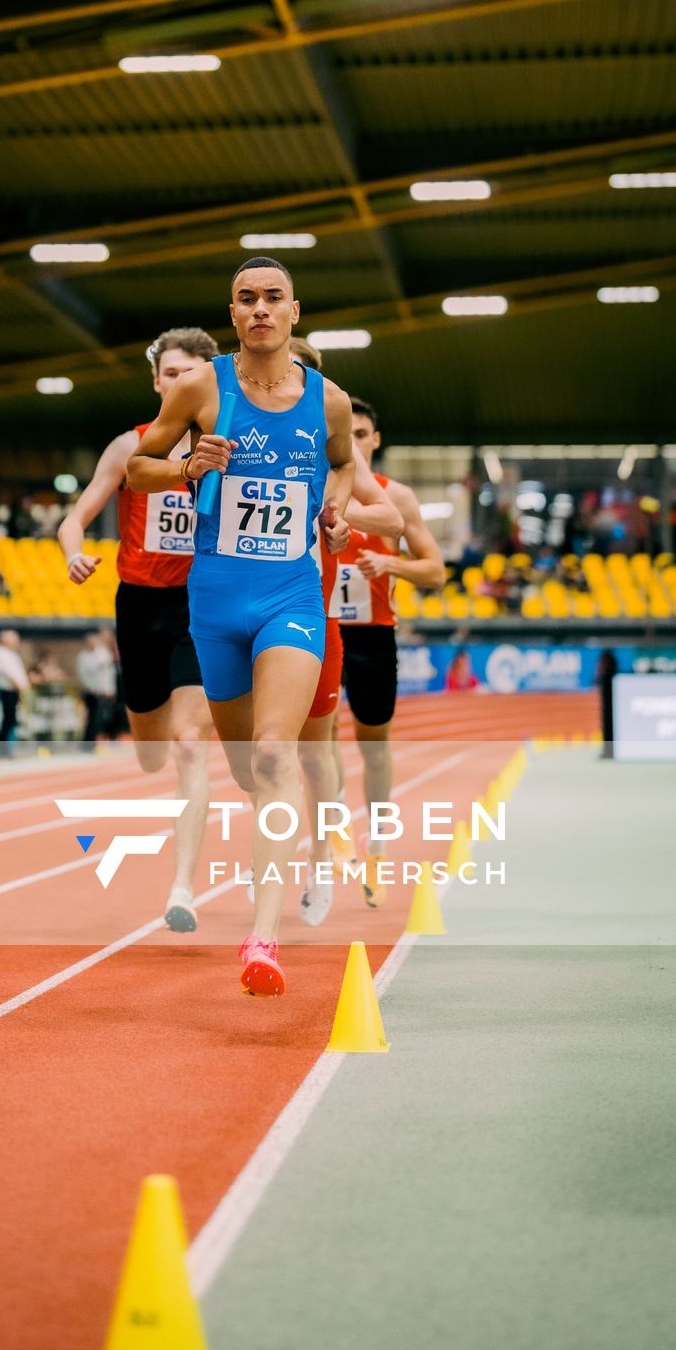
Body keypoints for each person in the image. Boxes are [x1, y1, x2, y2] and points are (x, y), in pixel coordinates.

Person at [128, 258, 354, 996]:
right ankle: (271, 866)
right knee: (247, 772)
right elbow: (138, 469)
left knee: (275, 754)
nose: (261, 310)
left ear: (296, 311)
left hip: (290, 596)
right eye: (247, 299)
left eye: (274, 299)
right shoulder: (202, 387)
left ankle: (264, 938)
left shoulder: (329, 403)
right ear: (234, 314)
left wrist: (337, 509)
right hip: (215, 602)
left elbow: (345, 467)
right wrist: (190, 467)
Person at [58, 325, 219, 933]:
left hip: (198, 606)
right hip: (138, 606)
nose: (179, 383)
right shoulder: (130, 445)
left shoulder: (224, 445)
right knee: (152, 753)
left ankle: (182, 887)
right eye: (170, 374)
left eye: (190, 374)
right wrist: (74, 553)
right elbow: (76, 518)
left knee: (187, 744)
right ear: (156, 381)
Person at [289, 336, 403, 927]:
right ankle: (320, 841)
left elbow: (393, 518)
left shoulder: (336, 454)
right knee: (262, 755)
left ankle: (361, 847)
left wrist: (335, 513)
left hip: (335, 620)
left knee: (354, 749)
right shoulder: (234, 425)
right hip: (256, 605)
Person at [335, 397, 445, 896]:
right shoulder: (317, 484)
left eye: (362, 434)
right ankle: (333, 834)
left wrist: (391, 566)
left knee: (373, 747)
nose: (354, 442)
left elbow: (436, 572)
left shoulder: (395, 497)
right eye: (346, 434)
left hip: (373, 633)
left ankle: (376, 843)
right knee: (313, 740)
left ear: (374, 440)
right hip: (316, 625)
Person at [76, 630, 120, 743]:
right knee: (92, 719)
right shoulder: (84, 657)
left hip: (102, 693)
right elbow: (89, 673)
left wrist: (110, 690)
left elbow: (107, 675)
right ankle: (88, 742)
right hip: (91, 692)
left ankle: (97, 741)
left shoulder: (102, 653)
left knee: (100, 719)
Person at [0, 628, 30, 743]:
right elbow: (7, 672)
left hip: (15, 690)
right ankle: (1, 747)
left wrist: (24, 685)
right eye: (14, 638)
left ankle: (7, 745)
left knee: (13, 719)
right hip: (6, 690)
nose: (17, 641)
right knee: (8, 719)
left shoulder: (13, 654)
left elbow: (19, 673)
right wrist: (18, 684)